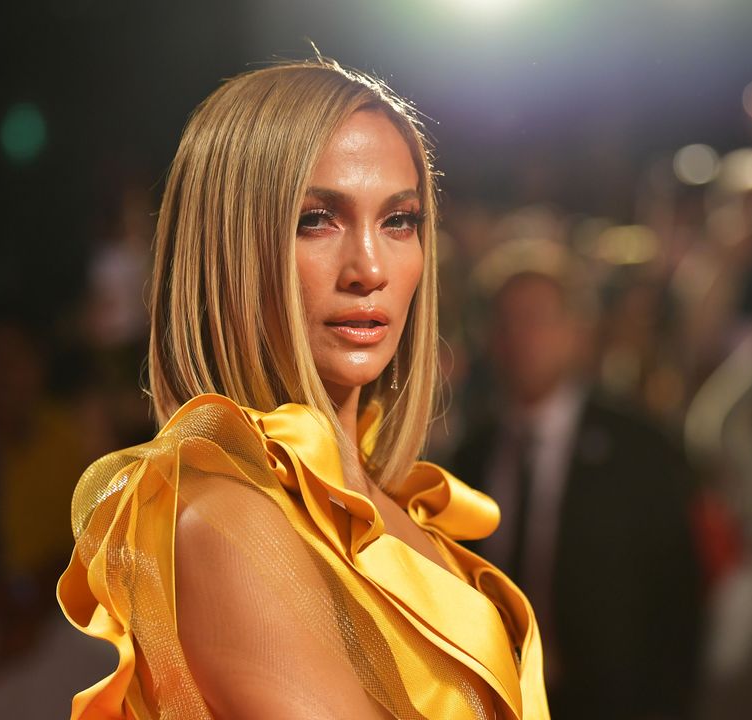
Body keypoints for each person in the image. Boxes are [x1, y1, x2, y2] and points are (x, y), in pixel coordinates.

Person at [58, 60, 550, 719]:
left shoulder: (394, 505)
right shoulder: (222, 519)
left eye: (399, 221)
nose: (369, 268)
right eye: (318, 219)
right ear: (229, 245)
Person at [451, 267, 704, 719]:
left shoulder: (637, 448)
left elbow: (678, 594)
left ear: (574, 333)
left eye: (537, 319)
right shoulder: (470, 456)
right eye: (506, 322)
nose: (521, 337)